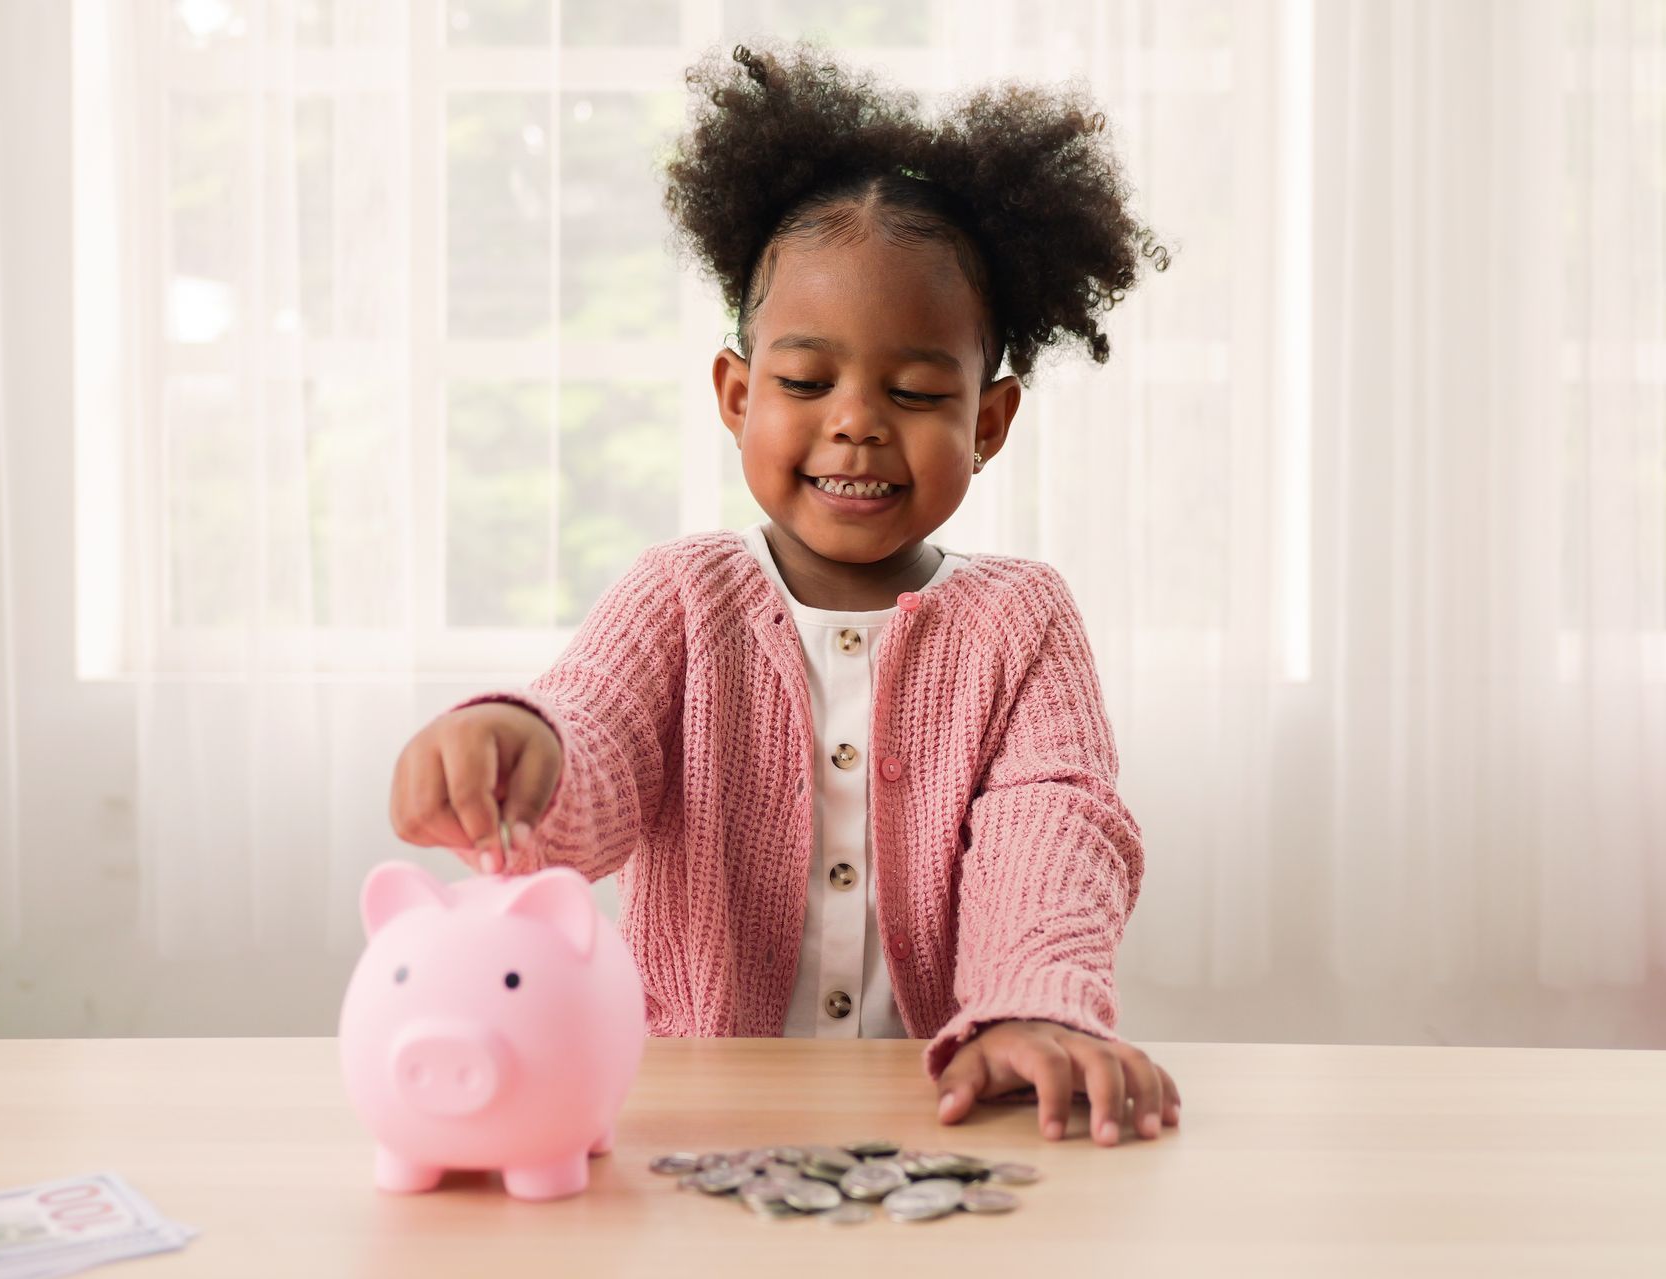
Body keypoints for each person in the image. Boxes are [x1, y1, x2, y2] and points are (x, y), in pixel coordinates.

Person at [389, 43, 1180, 1146]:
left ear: (989, 423)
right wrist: (521, 743)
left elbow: (1054, 824)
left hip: (949, 1113)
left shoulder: (1023, 619)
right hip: (695, 1113)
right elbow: (597, 741)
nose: (854, 420)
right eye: (806, 382)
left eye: (912, 390)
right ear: (736, 391)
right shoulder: (682, 594)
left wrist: (1038, 1002)